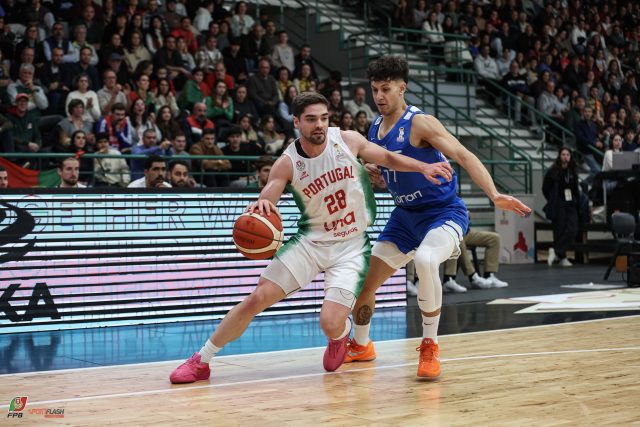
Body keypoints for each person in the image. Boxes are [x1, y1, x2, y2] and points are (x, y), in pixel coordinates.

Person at [169, 91, 456, 384]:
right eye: (310, 119)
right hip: (310, 242)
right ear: (296, 122)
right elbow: (268, 196)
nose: (319, 124)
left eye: (323, 118)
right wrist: (262, 206)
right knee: (257, 298)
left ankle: (341, 335)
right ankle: (201, 360)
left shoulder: (347, 140)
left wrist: (423, 166)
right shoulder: (287, 162)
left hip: (351, 247)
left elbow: (387, 157)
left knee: (330, 323)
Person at [347, 56, 531, 379]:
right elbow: (390, 173)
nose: (379, 96)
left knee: (426, 260)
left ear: (402, 88)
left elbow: (462, 154)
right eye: (374, 89)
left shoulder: (420, 123)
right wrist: (377, 175)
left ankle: (430, 345)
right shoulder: (374, 128)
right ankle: (361, 345)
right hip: (405, 216)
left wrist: (494, 194)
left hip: (443, 212)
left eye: (386, 89)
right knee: (366, 281)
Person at [542, 147, 580, 268]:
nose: (565, 157)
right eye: (563, 154)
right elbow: (545, 188)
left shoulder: (572, 170)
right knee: (559, 230)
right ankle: (562, 257)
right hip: (559, 202)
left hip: (571, 202)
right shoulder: (553, 171)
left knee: (573, 229)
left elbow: (575, 187)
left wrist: (577, 200)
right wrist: (552, 199)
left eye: (567, 155)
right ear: (559, 156)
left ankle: (555, 250)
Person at [442, 229, 509, 293]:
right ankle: (472, 277)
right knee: (456, 236)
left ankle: (489, 275)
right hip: (448, 233)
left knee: (495, 238)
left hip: (466, 232)